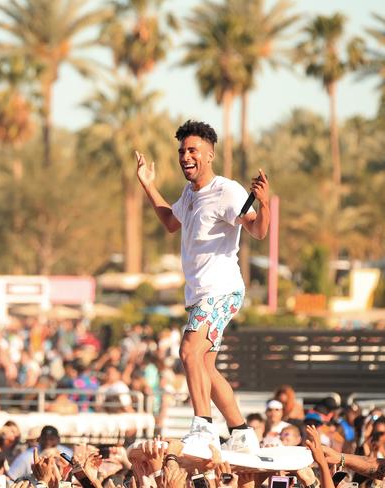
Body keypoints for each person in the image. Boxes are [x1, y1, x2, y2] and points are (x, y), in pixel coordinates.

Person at [136, 119, 270, 458]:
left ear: (209, 154)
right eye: (182, 151)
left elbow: (257, 231)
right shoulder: (189, 193)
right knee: (205, 367)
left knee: (188, 352)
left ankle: (203, 426)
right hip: (200, 295)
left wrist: (265, 205)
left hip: (221, 291)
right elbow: (170, 222)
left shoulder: (228, 190)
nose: (185, 156)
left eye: (192, 150)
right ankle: (240, 432)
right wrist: (148, 185)